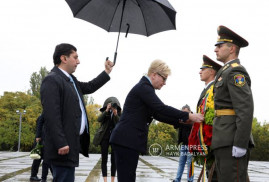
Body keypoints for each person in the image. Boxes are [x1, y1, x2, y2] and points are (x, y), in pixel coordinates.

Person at [109, 59, 204, 182]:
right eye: (164, 78)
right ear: (154, 75)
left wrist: (181, 121)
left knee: (128, 178)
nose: (164, 83)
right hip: (126, 140)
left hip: (127, 141)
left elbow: (158, 115)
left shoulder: (145, 88)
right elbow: (161, 108)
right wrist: (189, 116)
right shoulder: (144, 88)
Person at [40, 43, 113, 182]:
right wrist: (60, 142)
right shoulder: (52, 80)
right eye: (75, 57)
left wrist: (107, 72)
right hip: (62, 147)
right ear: (64, 58)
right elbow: (51, 115)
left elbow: (90, 86)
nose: (78, 61)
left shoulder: (71, 79)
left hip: (71, 144)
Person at [212, 25, 254, 182]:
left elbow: (245, 109)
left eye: (219, 45)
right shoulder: (225, 71)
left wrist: (240, 143)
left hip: (232, 140)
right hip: (223, 138)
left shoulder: (236, 72)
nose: (215, 50)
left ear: (232, 48)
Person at [197, 55, 221, 182]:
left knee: (215, 176)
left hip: (213, 140)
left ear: (211, 71)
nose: (199, 71)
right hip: (207, 141)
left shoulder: (215, 89)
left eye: (203, 68)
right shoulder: (208, 89)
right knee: (210, 174)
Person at [97, 97, 121, 182]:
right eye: (110, 105)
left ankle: (112, 180)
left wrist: (115, 114)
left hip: (115, 138)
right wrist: (106, 110)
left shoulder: (118, 113)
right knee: (104, 159)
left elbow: (120, 123)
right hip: (105, 138)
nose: (112, 107)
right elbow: (99, 119)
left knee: (114, 160)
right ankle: (105, 180)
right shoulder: (105, 112)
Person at [173, 105, 194, 182]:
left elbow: (190, 126)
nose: (184, 114)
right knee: (181, 163)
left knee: (189, 163)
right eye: (182, 112)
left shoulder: (192, 119)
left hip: (191, 145)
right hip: (184, 144)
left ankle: (190, 180)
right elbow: (175, 126)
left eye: (185, 112)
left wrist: (181, 121)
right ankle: (177, 179)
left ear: (189, 111)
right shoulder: (181, 119)